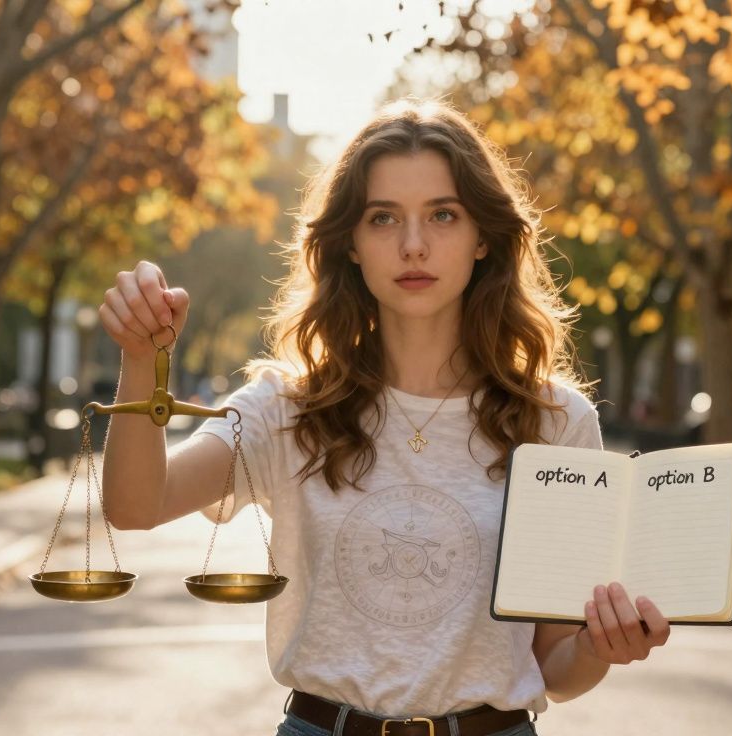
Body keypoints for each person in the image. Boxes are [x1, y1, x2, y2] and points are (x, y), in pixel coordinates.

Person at [97, 98, 671, 736]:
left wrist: (601, 647)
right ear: (350, 242)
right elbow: (136, 506)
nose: (414, 244)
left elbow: (556, 669)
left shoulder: (556, 422)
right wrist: (141, 357)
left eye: (443, 215)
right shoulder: (286, 410)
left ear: (484, 236)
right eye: (383, 218)